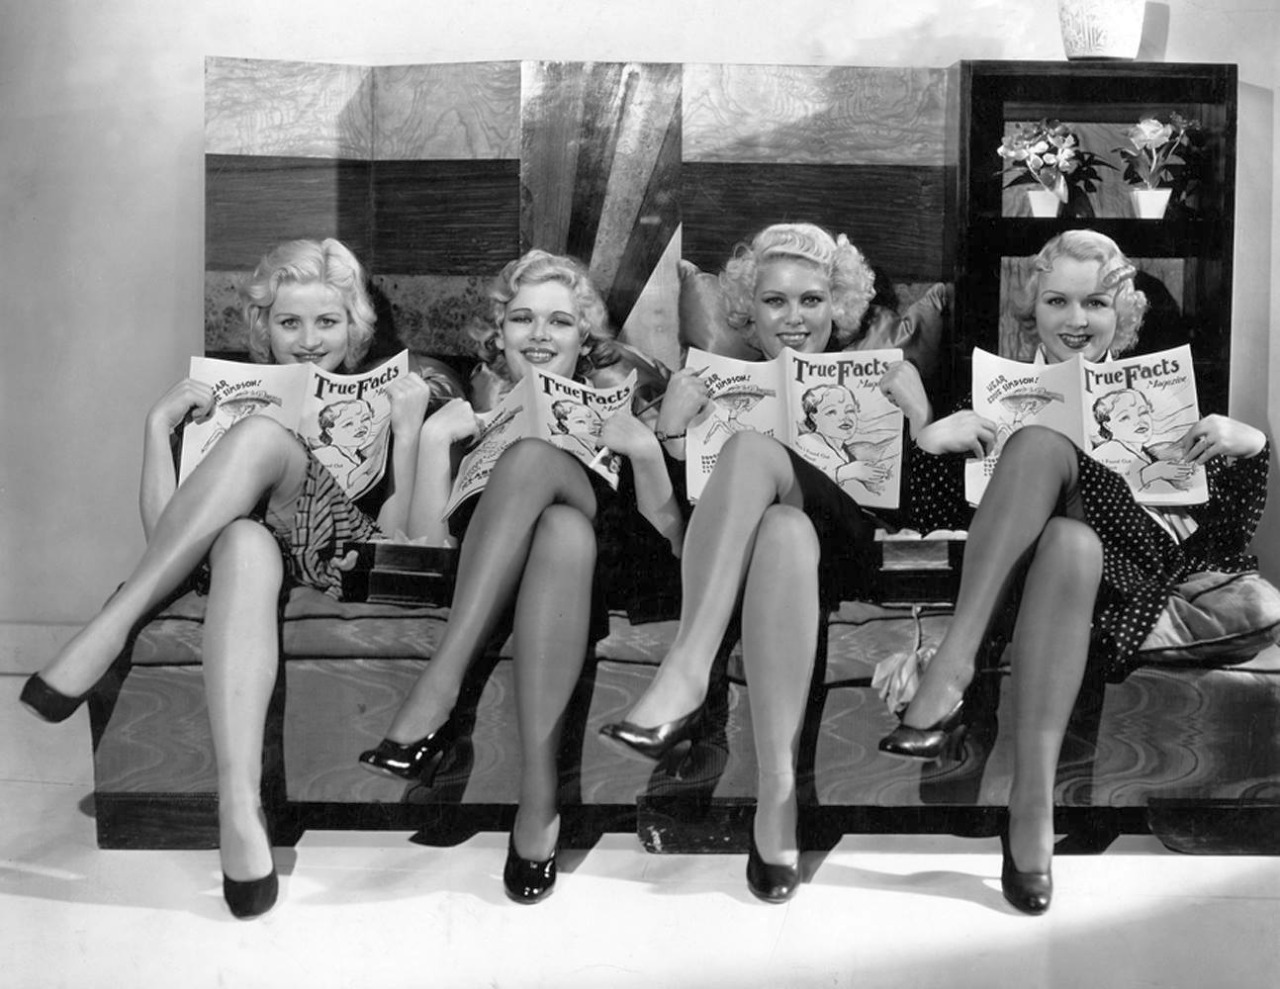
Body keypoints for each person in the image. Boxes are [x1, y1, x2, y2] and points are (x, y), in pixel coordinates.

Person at [20, 238, 456, 919]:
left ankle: (108, 628)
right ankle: (240, 808)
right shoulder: (227, 394)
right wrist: (155, 427)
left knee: (258, 437)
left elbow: (399, 538)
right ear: (264, 327)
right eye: (289, 322)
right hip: (250, 553)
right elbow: (164, 534)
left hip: (340, 553)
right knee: (245, 539)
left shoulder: (391, 393)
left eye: (327, 322)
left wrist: (404, 432)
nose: (308, 341)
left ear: (354, 326)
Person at [879, 229, 1269, 915]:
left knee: (1038, 444)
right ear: (1033, 309)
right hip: (1042, 573)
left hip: (1135, 568)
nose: (1076, 319)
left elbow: (1225, 543)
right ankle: (1031, 811)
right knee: (1067, 539)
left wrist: (1254, 448)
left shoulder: (1165, 395)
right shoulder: (989, 392)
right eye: (1057, 300)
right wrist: (927, 435)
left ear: (1124, 312)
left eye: (1096, 302)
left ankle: (952, 671)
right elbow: (941, 521)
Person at [600, 223, 933, 902]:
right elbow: (667, 539)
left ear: (838, 306)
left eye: (812, 299)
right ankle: (777, 800)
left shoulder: (886, 381)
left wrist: (921, 423)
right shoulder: (705, 387)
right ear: (749, 311)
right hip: (768, 563)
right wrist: (671, 431)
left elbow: (927, 515)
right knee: (781, 525)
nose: (794, 317)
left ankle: (686, 673)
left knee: (751, 451)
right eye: (775, 301)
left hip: (849, 548)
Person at [357, 249, 683, 905]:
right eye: (523, 318)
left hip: (619, 553)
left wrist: (646, 451)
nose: (539, 334)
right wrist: (435, 444)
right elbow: (429, 547)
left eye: (559, 321)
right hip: (516, 567)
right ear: (499, 333)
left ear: (584, 336)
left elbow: (674, 545)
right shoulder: (467, 416)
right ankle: (538, 803)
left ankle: (438, 690)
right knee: (559, 531)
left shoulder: (628, 404)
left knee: (535, 458)